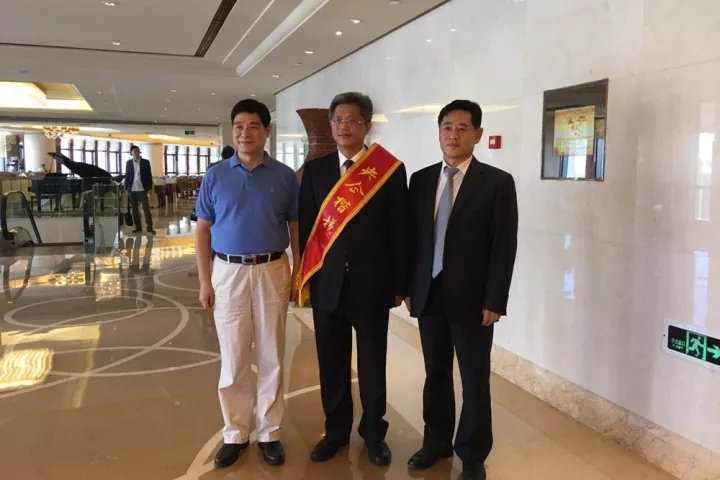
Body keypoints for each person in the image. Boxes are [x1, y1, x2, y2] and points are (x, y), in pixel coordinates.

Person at [404, 100, 518, 480]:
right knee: (435, 373)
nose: (453, 135)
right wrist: (409, 286)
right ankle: (435, 442)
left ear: (478, 135)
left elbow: (504, 246)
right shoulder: (421, 180)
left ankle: (471, 453)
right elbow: (414, 240)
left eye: (462, 128)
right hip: (429, 294)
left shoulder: (497, 182)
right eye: (447, 127)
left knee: (474, 378)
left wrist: (495, 299)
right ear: (438, 133)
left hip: (473, 300)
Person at [298, 92, 408, 466]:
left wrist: (399, 285)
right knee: (331, 363)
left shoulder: (389, 170)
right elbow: (308, 231)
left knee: (373, 364)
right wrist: (307, 279)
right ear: (331, 126)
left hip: (372, 286)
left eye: (352, 120)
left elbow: (399, 231)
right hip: (328, 286)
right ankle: (335, 432)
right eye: (338, 120)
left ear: (367, 126)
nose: (344, 127)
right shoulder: (315, 171)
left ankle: (375, 434)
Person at [194, 99, 300, 469]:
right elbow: (203, 230)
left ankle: (269, 432)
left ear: (267, 131)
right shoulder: (216, 176)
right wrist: (205, 281)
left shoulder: (284, 176)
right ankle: (235, 432)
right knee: (234, 355)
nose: (245, 133)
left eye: (253, 125)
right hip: (228, 271)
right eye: (239, 126)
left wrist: (299, 271)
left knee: (272, 353)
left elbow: (295, 226)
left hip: (272, 268)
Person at [124, 145, 155, 235]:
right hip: (132, 189)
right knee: (135, 210)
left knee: (146, 209)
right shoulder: (129, 163)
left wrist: (149, 188)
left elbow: (149, 176)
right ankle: (138, 227)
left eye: (138, 151)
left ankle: (150, 228)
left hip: (142, 189)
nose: (137, 153)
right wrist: (126, 189)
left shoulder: (145, 162)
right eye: (135, 152)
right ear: (131, 153)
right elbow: (127, 176)